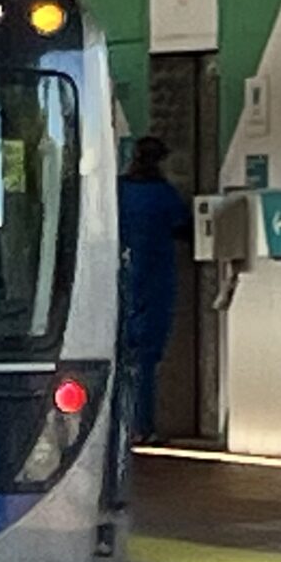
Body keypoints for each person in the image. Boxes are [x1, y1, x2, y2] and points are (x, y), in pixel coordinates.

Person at [118, 134, 190, 443]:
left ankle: (120, 425)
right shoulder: (164, 196)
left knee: (121, 355)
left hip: (121, 279)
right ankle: (141, 426)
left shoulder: (119, 192)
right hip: (154, 281)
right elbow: (185, 228)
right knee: (146, 359)